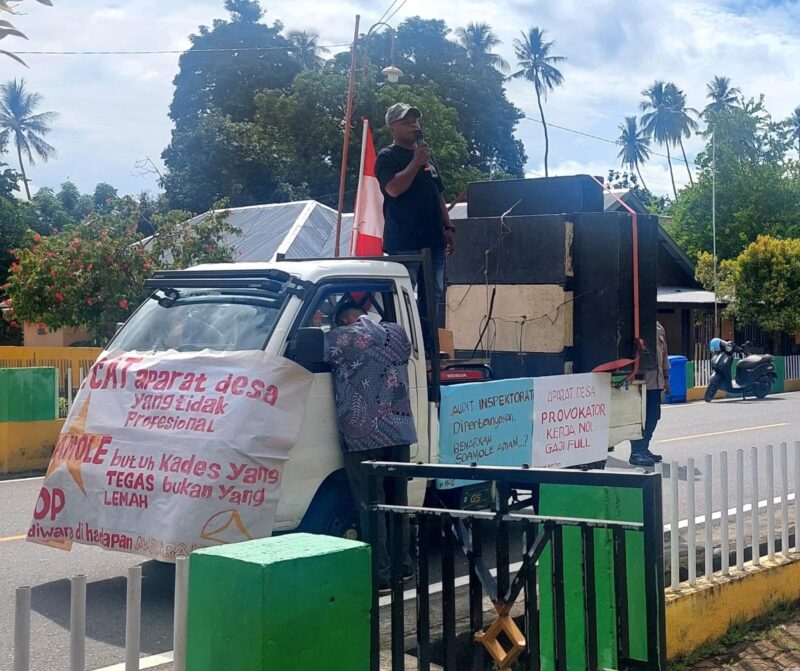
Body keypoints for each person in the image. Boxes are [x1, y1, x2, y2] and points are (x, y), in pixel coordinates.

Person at [325, 301, 417, 592]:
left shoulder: (343, 339)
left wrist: (324, 324)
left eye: (341, 320)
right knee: (396, 504)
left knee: (371, 507)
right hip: (398, 430)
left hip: (362, 437)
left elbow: (321, 349)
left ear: (347, 319)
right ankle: (403, 569)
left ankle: (381, 575)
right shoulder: (396, 334)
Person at [375, 103, 455, 337]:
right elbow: (393, 189)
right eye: (406, 121)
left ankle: (427, 343)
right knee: (403, 294)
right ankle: (400, 341)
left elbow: (438, 193)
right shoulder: (387, 156)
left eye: (415, 121)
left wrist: (449, 226)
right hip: (405, 241)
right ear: (392, 128)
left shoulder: (427, 158)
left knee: (434, 294)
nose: (414, 125)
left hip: (434, 240)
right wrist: (415, 163)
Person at [630, 321, 670, 467]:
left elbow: (664, 354)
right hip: (641, 381)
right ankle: (636, 452)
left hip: (656, 382)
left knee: (653, 416)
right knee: (640, 418)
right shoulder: (636, 324)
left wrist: (666, 377)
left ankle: (644, 448)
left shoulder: (659, 326)